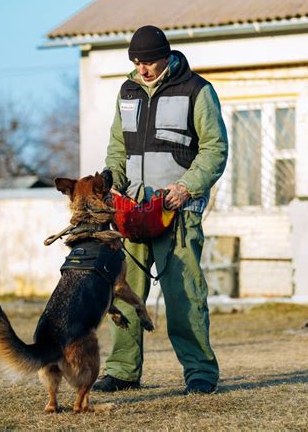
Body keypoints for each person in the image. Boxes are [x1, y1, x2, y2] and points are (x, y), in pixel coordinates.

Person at [95, 25, 228, 394]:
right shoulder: (128, 91)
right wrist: (110, 181)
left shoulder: (197, 91)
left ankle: (200, 373)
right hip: (131, 212)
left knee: (185, 295)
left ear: (166, 56)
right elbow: (117, 148)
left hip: (177, 214)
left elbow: (215, 148)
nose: (143, 69)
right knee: (121, 291)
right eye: (137, 62)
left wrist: (187, 188)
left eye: (149, 61)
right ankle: (122, 371)